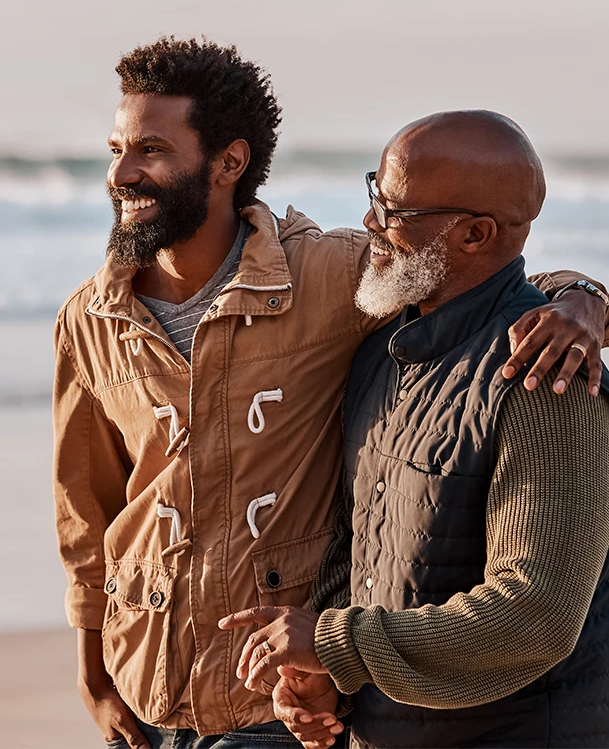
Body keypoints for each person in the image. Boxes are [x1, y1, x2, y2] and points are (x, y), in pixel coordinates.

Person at [52, 36, 608, 749]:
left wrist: (584, 299)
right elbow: (85, 508)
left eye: (152, 150)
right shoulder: (89, 318)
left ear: (229, 162)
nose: (122, 172)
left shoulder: (338, 279)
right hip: (157, 686)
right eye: (115, 147)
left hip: (273, 704)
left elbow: (493, 281)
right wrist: (94, 672)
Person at [220, 110, 609, 749]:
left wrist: (335, 644)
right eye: (375, 192)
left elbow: (535, 617)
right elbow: (361, 546)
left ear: (476, 234)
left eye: (394, 211)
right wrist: (330, 682)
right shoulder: (383, 354)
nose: (371, 221)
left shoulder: (546, 379)